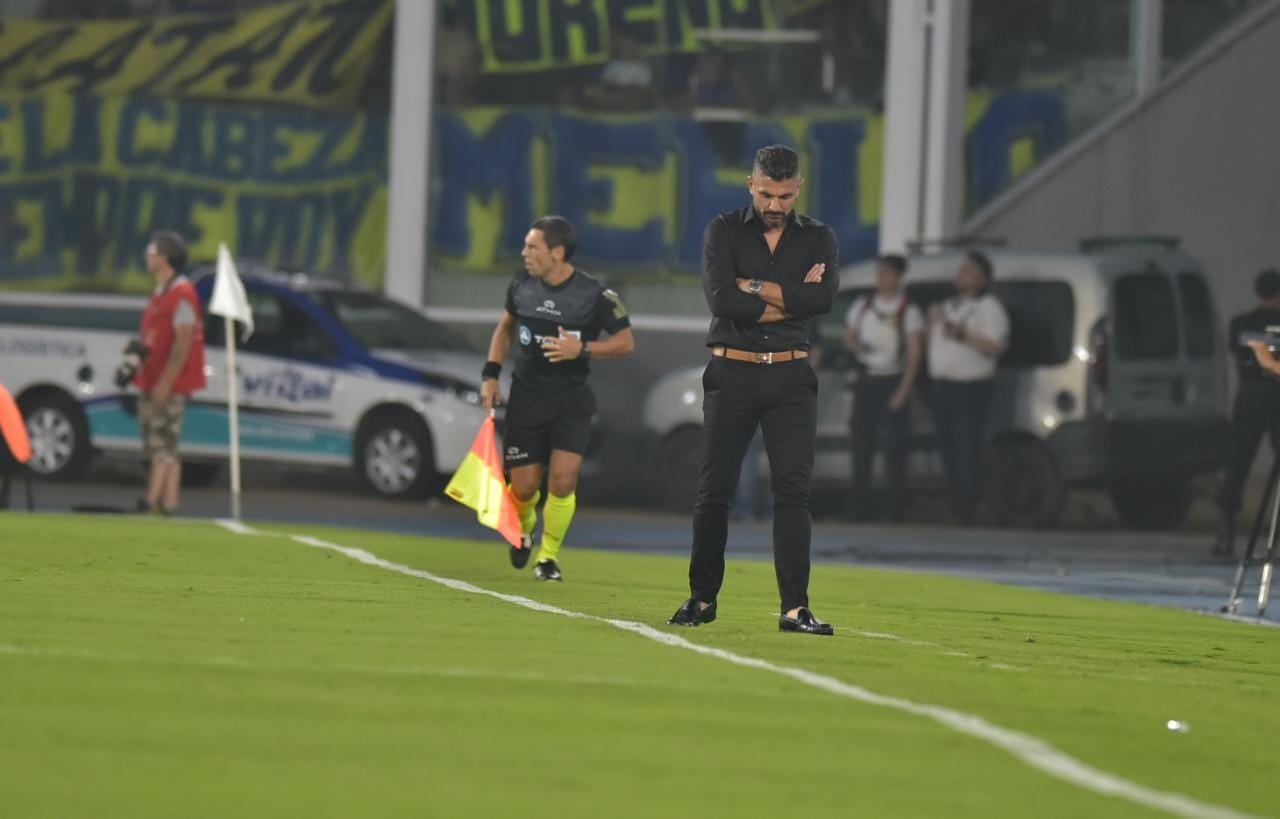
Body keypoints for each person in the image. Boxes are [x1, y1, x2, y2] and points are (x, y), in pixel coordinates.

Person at [667, 144, 839, 636]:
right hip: (733, 372)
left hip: (790, 376)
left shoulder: (818, 237)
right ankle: (702, 599)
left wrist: (756, 287)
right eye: (766, 193)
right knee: (714, 492)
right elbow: (722, 299)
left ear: (798, 189)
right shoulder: (723, 230)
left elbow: (823, 298)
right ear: (751, 184)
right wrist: (790, 296)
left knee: (793, 493)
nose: (775, 205)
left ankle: (795, 608)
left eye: (784, 196)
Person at [480, 216, 635, 581]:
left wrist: (581, 349)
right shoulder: (521, 284)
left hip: (571, 401)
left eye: (532, 247)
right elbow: (505, 327)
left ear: (557, 252)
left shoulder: (595, 295)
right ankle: (523, 528)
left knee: (563, 481)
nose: (524, 253)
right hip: (527, 398)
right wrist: (490, 374)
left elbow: (626, 343)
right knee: (524, 488)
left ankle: (548, 558)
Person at [925, 251, 1009, 524]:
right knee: (948, 447)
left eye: (969, 271)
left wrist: (961, 334)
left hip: (970, 388)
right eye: (961, 271)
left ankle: (970, 504)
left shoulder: (989, 308)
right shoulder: (949, 306)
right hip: (942, 387)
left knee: (967, 447)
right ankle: (956, 501)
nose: (962, 276)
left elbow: (995, 347)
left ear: (983, 278)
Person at [843, 253, 924, 522]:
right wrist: (856, 346)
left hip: (893, 381)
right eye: (879, 273)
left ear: (898, 277)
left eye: (887, 273)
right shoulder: (863, 305)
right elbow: (849, 335)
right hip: (867, 380)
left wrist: (902, 392)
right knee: (861, 446)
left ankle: (894, 510)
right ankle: (858, 507)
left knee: (894, 449)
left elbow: (914, 355)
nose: (882, 279)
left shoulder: (908, 311)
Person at [134, 230, 206, 515]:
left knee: (161, 441)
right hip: (153, 376)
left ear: (165, 258)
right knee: (164, 443)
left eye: (152, 251)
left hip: (168, 381)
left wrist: (165, 382)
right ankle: (170, 502)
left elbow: (183, 342)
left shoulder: (182, 294)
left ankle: (152, 501)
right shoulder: (162, 292)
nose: (147, 256)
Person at [1214, 269, 1280, 556]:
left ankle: (1225, 531)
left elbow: (1236, 358)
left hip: (1249, 395)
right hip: (1277, 396)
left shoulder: (1240, 324)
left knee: (1238, 464)